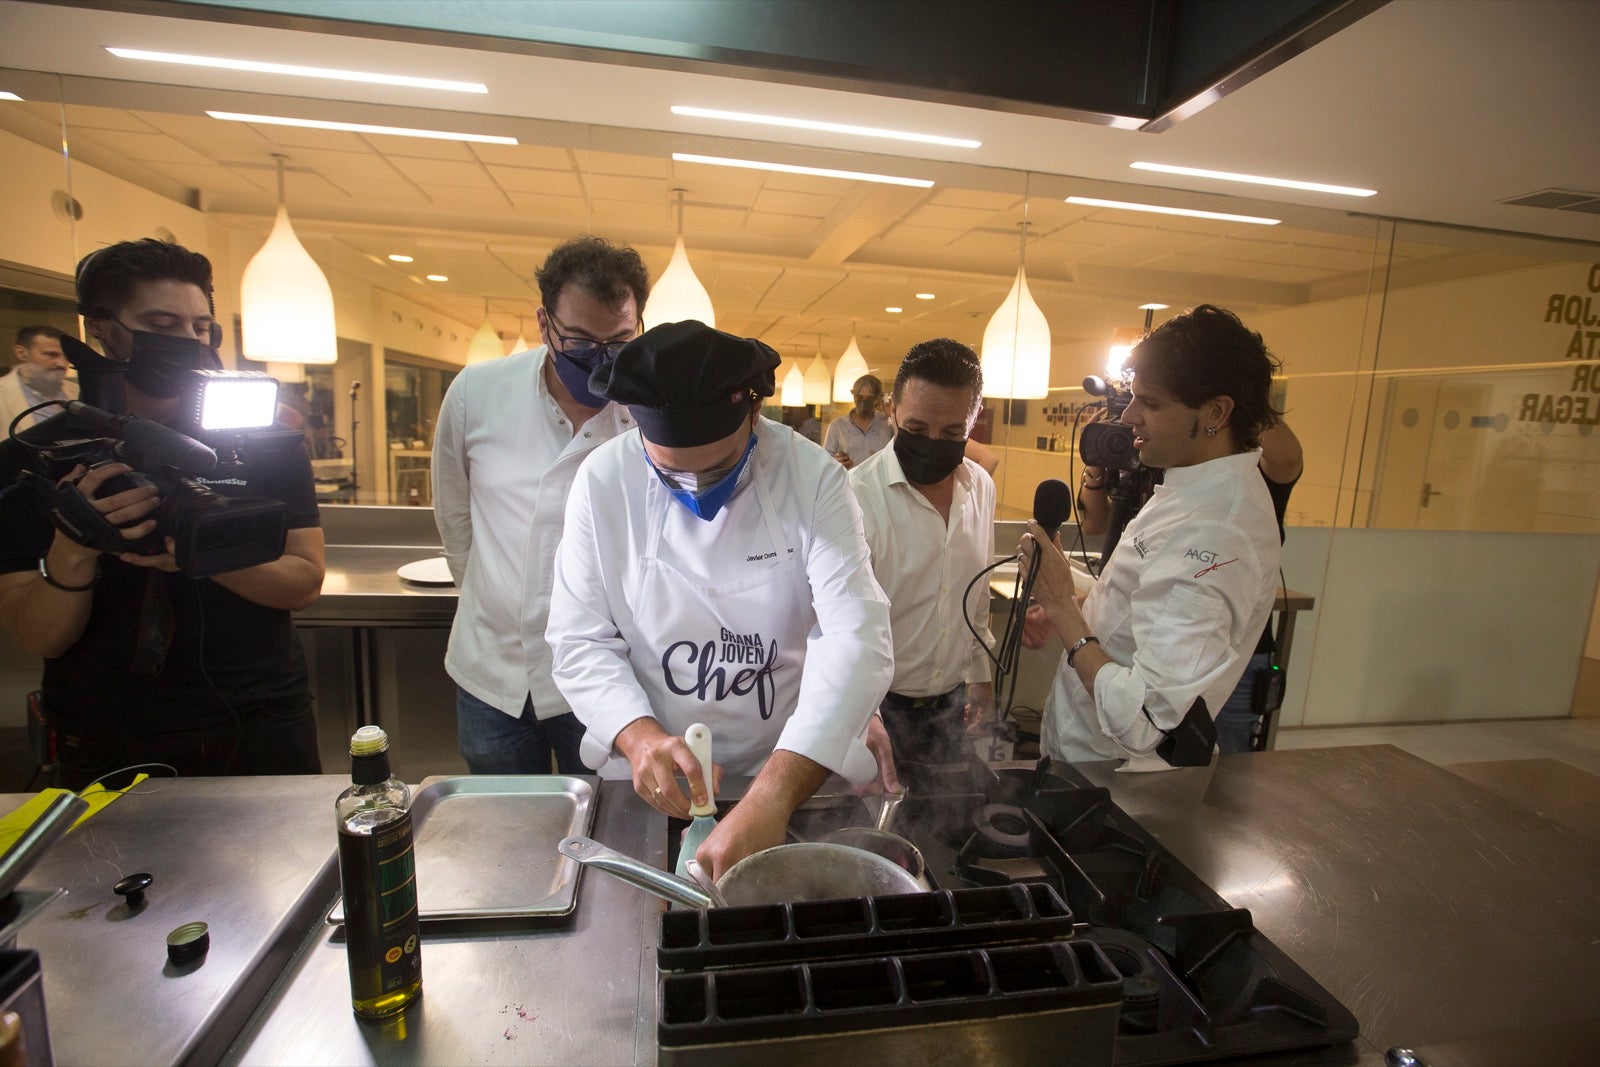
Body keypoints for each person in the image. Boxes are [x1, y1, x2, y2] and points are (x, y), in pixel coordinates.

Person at [547, 319, 895, 877]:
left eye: (716, 467)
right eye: (668, 471)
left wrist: (771, 798)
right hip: (653, 782)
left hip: (782, 765)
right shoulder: (602, 482)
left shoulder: (814, 480)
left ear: (754, 415)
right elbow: (578, 639)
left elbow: (857, 638)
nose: (694, 487)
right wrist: (639, 740)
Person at [0, 238, 325, 789]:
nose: (186, 341)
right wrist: (74, 545)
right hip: (106, 729)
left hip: (261, 719)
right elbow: (39, 637)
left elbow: (302, 581)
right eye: (161, 322)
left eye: (200, 327)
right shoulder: (33, 459)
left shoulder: (264, 440)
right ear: (98, 325)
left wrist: (203, 553)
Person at [1018, 304, 1283, 768]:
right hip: (1081, 757)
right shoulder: (1189, 485)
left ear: (1217, 412)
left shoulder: (1219, 531)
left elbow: (1145, 720)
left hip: (1118, 787)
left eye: (1152, 403)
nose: (1130, 417)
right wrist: (1071, 592)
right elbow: (1145, 609)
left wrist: (1061, 606)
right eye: (1132, 397)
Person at [433, 235, 648, 774]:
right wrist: (492, 596)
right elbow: (455, 516)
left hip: (606, 680)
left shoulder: (651, 415)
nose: (599, 360)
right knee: (504, 831)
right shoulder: (477, 393)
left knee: (606, 823)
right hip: (493, 671)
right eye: (578, 340)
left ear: (640, 328)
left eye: (618, 343)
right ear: (543, 322)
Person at [1077, 414, 1303, 755]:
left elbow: (1287, 457)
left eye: (1154, 401)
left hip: (1230, 652)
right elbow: (1096, 522)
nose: (1131, 416)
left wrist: (1218, 397)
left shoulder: (1244, 486)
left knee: (1218, 770)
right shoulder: (1169, 471)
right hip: (1152, 646)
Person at [850, 339, 996, 770]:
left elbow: (978, 595)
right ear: (892, 409)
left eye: (952, 433)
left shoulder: (980, 488)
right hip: (873, 709)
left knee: (948, 824)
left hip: (951, 708)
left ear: (974, 419)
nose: (933, 443)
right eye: (916, 429)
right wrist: (862, 715)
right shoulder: (856, 496)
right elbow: (837, 626)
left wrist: (981, 679)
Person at [1, 326, 76, 432]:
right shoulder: (2, 394)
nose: (62, 364)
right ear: (21, 353)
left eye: (66, 357)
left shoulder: (77, 390)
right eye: (51, 355)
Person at [823, 373, 891, 469]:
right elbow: (824, 461)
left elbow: (901, 453)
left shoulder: (888, 423)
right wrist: (837, 463)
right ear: (853, 395)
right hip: (849, 482)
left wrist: (892, 415)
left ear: (877, 399)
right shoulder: (837, 425)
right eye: (859, 397)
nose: (863, 402)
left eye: (869, 399)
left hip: (878, 482)